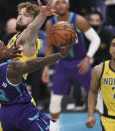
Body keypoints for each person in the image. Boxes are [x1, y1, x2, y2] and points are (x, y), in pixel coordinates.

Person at [0, 33, 75, 130]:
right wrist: (61, 54)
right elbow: (39, 62)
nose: (7, 48)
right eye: (3, 48)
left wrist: (5, 57)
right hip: (23, 111)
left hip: (5, 114)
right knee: (54, 128)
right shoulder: (12, 68)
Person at [41, 0, 101, 130]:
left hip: (81, 62)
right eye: (57, 2)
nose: (61, 5)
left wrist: (88, 58)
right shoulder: (50, 23)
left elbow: (96, 39)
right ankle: (54, 127)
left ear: (68, 5)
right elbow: (49, 46)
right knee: (55, 98)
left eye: (64, 2)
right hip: (63, 63)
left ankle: (107, 122)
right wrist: (46, 67)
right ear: (53, 6)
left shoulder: (78, 20)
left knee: (96, 94)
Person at [86, 35, 115, 130]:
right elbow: (93, 92)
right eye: (113, 45)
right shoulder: (99, 70)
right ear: (110, 48)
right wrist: (90, 115)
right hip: (109, 121)